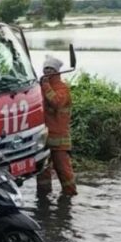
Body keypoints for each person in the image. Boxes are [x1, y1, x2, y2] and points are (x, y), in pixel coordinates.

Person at [36, 55, 78, 197]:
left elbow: (56, 102)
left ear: (57, 71)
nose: (47, 71)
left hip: (59, 139)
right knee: (43, 171)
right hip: (43, 138)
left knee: (64, 170)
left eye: (50, 69)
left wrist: (46, 85)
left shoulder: (62, 88)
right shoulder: (40, 87)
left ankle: (69, 195)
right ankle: (43, 197)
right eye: (45, 68)